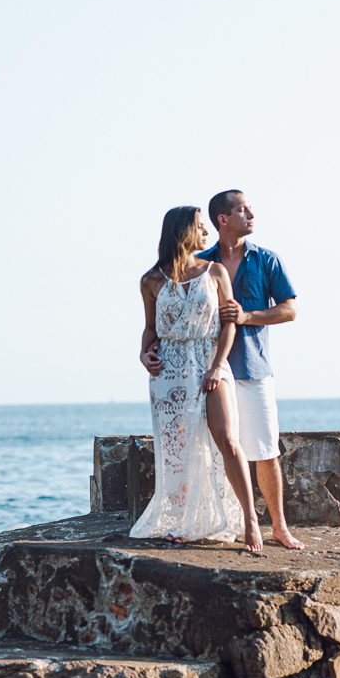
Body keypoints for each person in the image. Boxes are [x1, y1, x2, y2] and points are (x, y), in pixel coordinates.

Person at [131, 206, 263, 552]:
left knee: (227, 439)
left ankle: (250, 520)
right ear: (183, 232)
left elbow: (229, 323)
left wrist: (219, 366)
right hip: (169, 372)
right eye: (200, 228)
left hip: (209, 363)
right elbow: (150, 329)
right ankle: (180, 520)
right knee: (177, 450)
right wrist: (144, 355)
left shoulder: (215, 272)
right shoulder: (151, 280)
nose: (207, 235)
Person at [203, 189, 304, 551]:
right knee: (216, 452)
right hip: (208, 373)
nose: (251, 215)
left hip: (253, 368)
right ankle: (228, 523)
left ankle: (279, 527)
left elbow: (289, 309)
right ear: (222, 220)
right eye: (242, 210)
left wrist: (246, 317)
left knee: (265, 451)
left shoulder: (267, 260)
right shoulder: (201, 263)